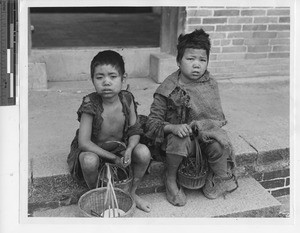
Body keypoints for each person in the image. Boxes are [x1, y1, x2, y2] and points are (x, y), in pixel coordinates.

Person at [145, 29, 238, 206]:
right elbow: (151, 124)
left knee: (219, 143)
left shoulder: (209, 84)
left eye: (202, 60)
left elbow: (217, 119)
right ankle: (170, 179)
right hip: (176, 143)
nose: (197, 65)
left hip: (203, 137)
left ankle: (215, 176)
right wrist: (173, 127)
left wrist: (201, 126)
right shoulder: (167, 89)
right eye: (190, 59)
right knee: (180, 138)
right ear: (178, 61)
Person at [67, 50, 151, 212]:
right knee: (89, 160)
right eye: (99, 77)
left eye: (112, 76)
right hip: (95, 151)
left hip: (120, 150)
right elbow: (84, 143)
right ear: (92, 80)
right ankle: (95, 195)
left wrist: (130, 149)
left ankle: (132, 193)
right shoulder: (90, 103)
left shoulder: (127, 99)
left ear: (123, 79)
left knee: (143, 152)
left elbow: (135, 130)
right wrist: (113, 158)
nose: (106, 82)